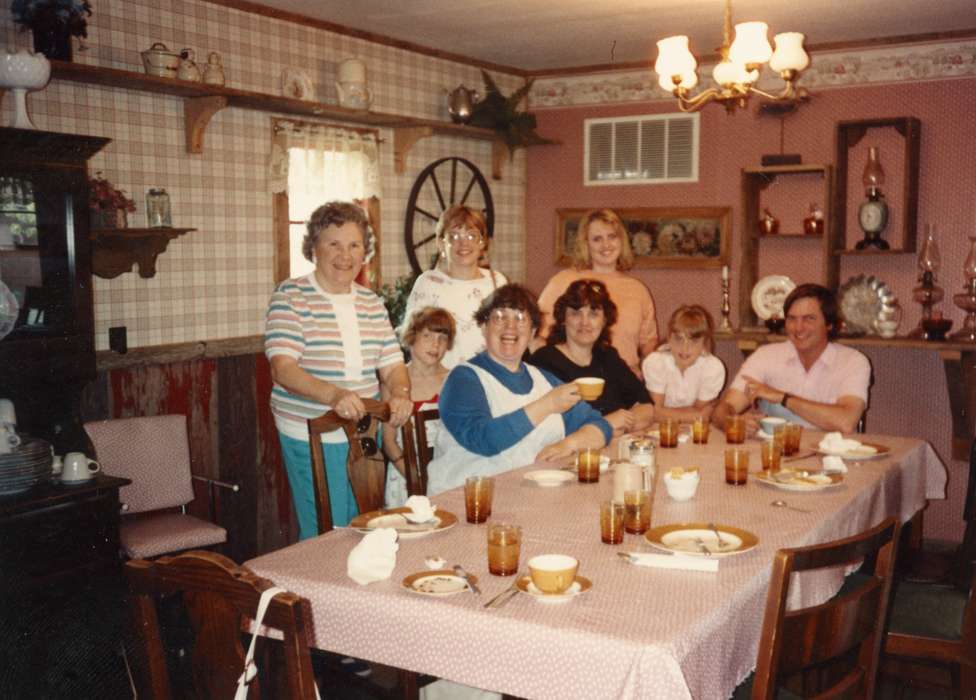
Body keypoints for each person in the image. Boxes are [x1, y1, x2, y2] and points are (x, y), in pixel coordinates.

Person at [265, 201, 412, 539]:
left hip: (363, 428)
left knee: (362, 522)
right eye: (334, 243)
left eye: (354, 245)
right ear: (313, 248)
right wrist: (335, 395)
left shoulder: (371, 302)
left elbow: (392, 365)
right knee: (325, 527)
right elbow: (283, 369)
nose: (345, 255)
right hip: (312, 429)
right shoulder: (291, 296)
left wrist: (402, 393)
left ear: (365, 252)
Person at [426, 283, 612, 496]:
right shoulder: (463, 379)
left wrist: (568, 445)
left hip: (528, 499)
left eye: (521, 318)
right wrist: (547, 405)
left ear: (533, 331)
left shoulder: (543, 379)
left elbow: (600, 426)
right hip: (465, 502)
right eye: (499, 317)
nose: (510, 327)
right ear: (484, 327)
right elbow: (483, 440)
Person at [712, 283, 870, 434]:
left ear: (829, 324)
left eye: (809, 319)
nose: (798, 328)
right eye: (792, 318)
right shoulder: (765, 356)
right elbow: (723, 408)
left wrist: (782, 398)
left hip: (832, 458)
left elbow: (846, 422)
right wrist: (731, 422)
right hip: (776, 455)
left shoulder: (853, 361)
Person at [535, 208, 657, 376]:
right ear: (586, 244)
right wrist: (558, 371)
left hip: (625, 382)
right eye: (597, 239)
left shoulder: (638, 289)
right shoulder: (562, 282)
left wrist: (646, 371)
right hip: (575, 381)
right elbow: (536, 335)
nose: (606, 245)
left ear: (622, 240)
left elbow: (649, 343)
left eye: (612, 237)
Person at [528, 279, 653, 435]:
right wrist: (606, 425)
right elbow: (551, 425)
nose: (585, 322)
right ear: (563, 320)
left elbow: (646, 407)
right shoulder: (544, 361)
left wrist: (618, 427)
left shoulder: (609, 357)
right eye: (575, 313)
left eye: (593, 314)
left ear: (604, 320)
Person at [401, 205, 507, 369]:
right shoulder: (428, 283)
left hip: (489, 376)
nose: (463, 243)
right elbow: (413, 339)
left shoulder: (497, 282)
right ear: (441, 244)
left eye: (472, 236)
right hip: (442, 379)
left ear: (482, 243)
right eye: (454, 236)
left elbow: (506, 333)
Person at [382, 306, 455, 507]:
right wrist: (415, 477)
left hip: (444, 475)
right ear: (411, 338)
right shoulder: (395, 383)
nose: (435, 344)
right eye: (427, 336)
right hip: (406, 476)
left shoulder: (454, 379)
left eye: (442, 338)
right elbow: (388, 442)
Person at [641, 305, 726, 422]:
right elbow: (654, 412)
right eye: (679, 339)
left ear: (704, 343)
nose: (685, 349)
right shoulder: (655, 362)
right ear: (669, 338)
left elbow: (700, 414)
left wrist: (664, 413)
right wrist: (695, 416)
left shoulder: (713, 368)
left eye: (694, 341)